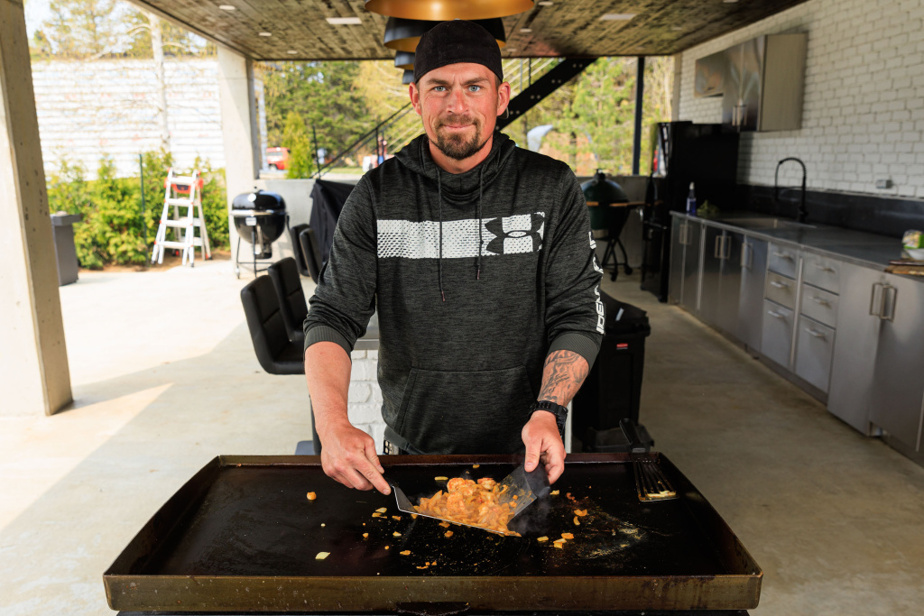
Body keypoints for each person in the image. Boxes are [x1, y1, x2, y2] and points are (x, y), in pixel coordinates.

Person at [303, 20, 604, 496]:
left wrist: (550, 411)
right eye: (439, 87)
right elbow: (331, 315)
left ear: (501, 97)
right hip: (412, 452)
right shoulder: (378, 196)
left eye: (474, 86)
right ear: (416, 99)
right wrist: (331, 424)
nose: (456, 105)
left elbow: (578, 315)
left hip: (524, 450)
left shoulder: (550, 187)